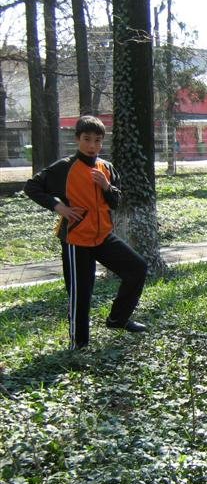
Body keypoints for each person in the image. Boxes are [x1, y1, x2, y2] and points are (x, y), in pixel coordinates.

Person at [24, 115, 148, 350]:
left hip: (103, 236)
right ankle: (78, 344)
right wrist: (59, 206)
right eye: (87, 139)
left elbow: (115, 202)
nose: (92, 146)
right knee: (81, 292)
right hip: (75, 239)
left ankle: (117, 319)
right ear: (77, 139)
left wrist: (106, 186)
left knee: (137, 268)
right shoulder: (64, 168)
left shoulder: (107, 168)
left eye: (98, 140)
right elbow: (32, 187)